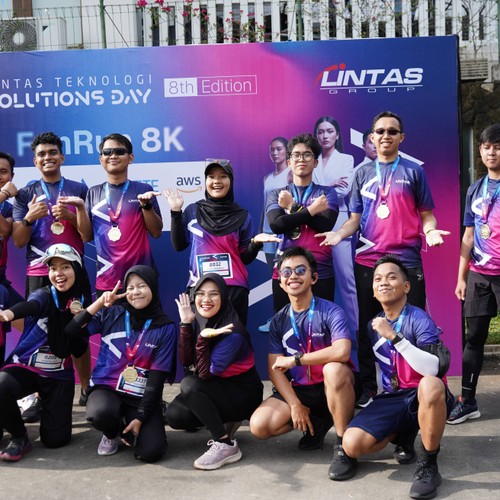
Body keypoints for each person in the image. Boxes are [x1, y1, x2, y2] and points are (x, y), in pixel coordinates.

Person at [316, 111, 449, 408]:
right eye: (380, 131)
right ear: (372, 138)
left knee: (414, 325)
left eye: (392, 131)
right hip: (369, 262)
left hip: (407, 261)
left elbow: (427, 215)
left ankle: (416, 387)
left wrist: (430, 231)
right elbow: (354, 220)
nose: (385, 136)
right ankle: (369, 388)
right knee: (368, 325)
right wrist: (339, 234)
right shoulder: (362, 173)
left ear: (401, 137)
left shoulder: (414, 172)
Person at [340, 255, 453, 500]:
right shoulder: (372, 325)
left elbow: (433, 368)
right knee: (352, 444)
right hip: (393, 397)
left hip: (423, 395)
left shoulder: (419, 318)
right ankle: (403, 433)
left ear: (407, 286)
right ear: (373, 291)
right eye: (378, 279)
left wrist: (395, 337)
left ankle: (428, 465)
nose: (384, 282)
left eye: (392, 277)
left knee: (431, 385)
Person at [249, 246, 360, 480]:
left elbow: (342, 351)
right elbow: (275, 369)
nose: (293, 276)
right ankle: (317, 423)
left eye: (300, 270)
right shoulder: (279, 320)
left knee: (333, 369)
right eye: (286, 272)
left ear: (314, 278)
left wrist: (297, 359)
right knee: (260, 426)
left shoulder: (331, 311)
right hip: (301, 390)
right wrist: (294, 405)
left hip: (335, 385)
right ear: (281, 282)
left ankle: (343, 447)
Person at [12, 132, 91, 417]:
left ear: (62, 157)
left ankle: (87, 388)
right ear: (35, 161)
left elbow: (87, 234)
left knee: (79, 330)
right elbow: (18, 241)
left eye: (53, 152)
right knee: (38, 333)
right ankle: (37, 394)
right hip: (39, 271)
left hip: (73, 271)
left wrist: (71, 216)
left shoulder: (78, 189)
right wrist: (28, 218)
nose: (48, 157)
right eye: (42, 154)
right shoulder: (25, 194)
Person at [65, 265, 176, 462]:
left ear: (153, 287)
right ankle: (111, 432)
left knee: (151, 452)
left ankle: (130, 420)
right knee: (100, 413)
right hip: (107, 388)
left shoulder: (165, 327)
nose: (136, 292)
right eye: (130, 288)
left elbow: (157, 377)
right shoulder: (112, 313)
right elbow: (72, 330)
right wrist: (99, 302)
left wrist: (141, 416)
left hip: (139, 395)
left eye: (142, 286)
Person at [0, 244, 90, 461]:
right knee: (1, 385)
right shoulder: (43, 294)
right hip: (26, 368)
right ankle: (19, 436)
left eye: (65, 267)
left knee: (55, 440)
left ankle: (45, 407)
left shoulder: (84, 304)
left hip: (58, 377)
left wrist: (79, 323)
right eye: (53, 268)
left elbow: (79, 349)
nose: (58, 273)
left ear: (77, 269)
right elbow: (30, 306)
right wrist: (8, 314)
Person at [165, 272, 263, 470]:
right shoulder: (201, 320)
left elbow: (204, 374)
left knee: (189, 385)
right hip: (217, 387)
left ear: (224, 297)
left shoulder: (233, 333)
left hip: (242, 394)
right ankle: (224, 422)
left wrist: (202, 339)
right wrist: (185, 324)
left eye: (213, 294)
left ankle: (225, 444)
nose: (206, 299)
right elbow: (186, 361)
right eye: (200, 294)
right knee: (176, 415)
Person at [165, 159, 279, 325]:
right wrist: (175, 212)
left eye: (223, 176)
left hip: (234, 289)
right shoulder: (193, 211)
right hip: (200, 289)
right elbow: (179, 245)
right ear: (205, 181)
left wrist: (255, 243)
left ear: (230, 181)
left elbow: (245, 258)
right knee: (201, 339)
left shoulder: (243, 216)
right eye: (211, 177)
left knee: (233, 339)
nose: (216, 181)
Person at [62, 133, 163, 296]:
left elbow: (156, 232)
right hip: (107, 279)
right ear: (101, 159)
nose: (113, 156)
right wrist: (80, 208)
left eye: (119, 151)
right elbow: (86, 236)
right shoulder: (93, 192)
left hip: (142, 279)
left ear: (130, 158)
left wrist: (146, 206)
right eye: (107, 152)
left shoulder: (144, 190)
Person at [448, 123, 500, 424]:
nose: (492, 152)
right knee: (474, 339)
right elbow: (468, 235)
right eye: (487, 147)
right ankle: (467, 401)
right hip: (479, 274)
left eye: (497, 147)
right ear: (480, 150)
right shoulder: (475, 189)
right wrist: (461, 277)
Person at [266, 134, 339, 313]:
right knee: (285, 325)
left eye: (307, 155)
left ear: (315, 162)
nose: (301, 159)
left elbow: (325, 225)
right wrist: (311, 210)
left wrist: (291, 207)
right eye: (296, 155)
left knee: (322, 325)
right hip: (286, 273)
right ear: (289, 162)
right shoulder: (277, 194)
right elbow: (277, 225)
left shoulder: (327, 193)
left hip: (320, 270)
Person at [313, 116, 358, 337]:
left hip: (340, 223)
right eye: (321, 132)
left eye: (329, 131)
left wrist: (318, 190)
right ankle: (318, 330)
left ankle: (357, 330)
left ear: (337, 134)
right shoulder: (312, 160)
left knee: (347, 281)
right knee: (315, 279)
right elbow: (306, 192)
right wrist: (330, 185)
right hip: (313, 224)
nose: (325, 136)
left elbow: (344, 190)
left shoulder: (346, 159)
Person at [0, 152, 23, 363]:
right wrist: (4, 193)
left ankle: (11, 371)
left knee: (35, 322)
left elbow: (5, 230)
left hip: (1, 283)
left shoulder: (8, 208)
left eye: (3, 172)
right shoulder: (5, 198)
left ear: (11, 176)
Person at [261, 137, 292, 270]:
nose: (275, 153)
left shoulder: (291, 174)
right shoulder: (267, 178)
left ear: (287, 151)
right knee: (272, 271)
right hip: (268, 231)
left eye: (279, 149)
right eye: (272, 150)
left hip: (284, 231)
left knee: (286, 270)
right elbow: (265, 206)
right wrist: (261, 230)